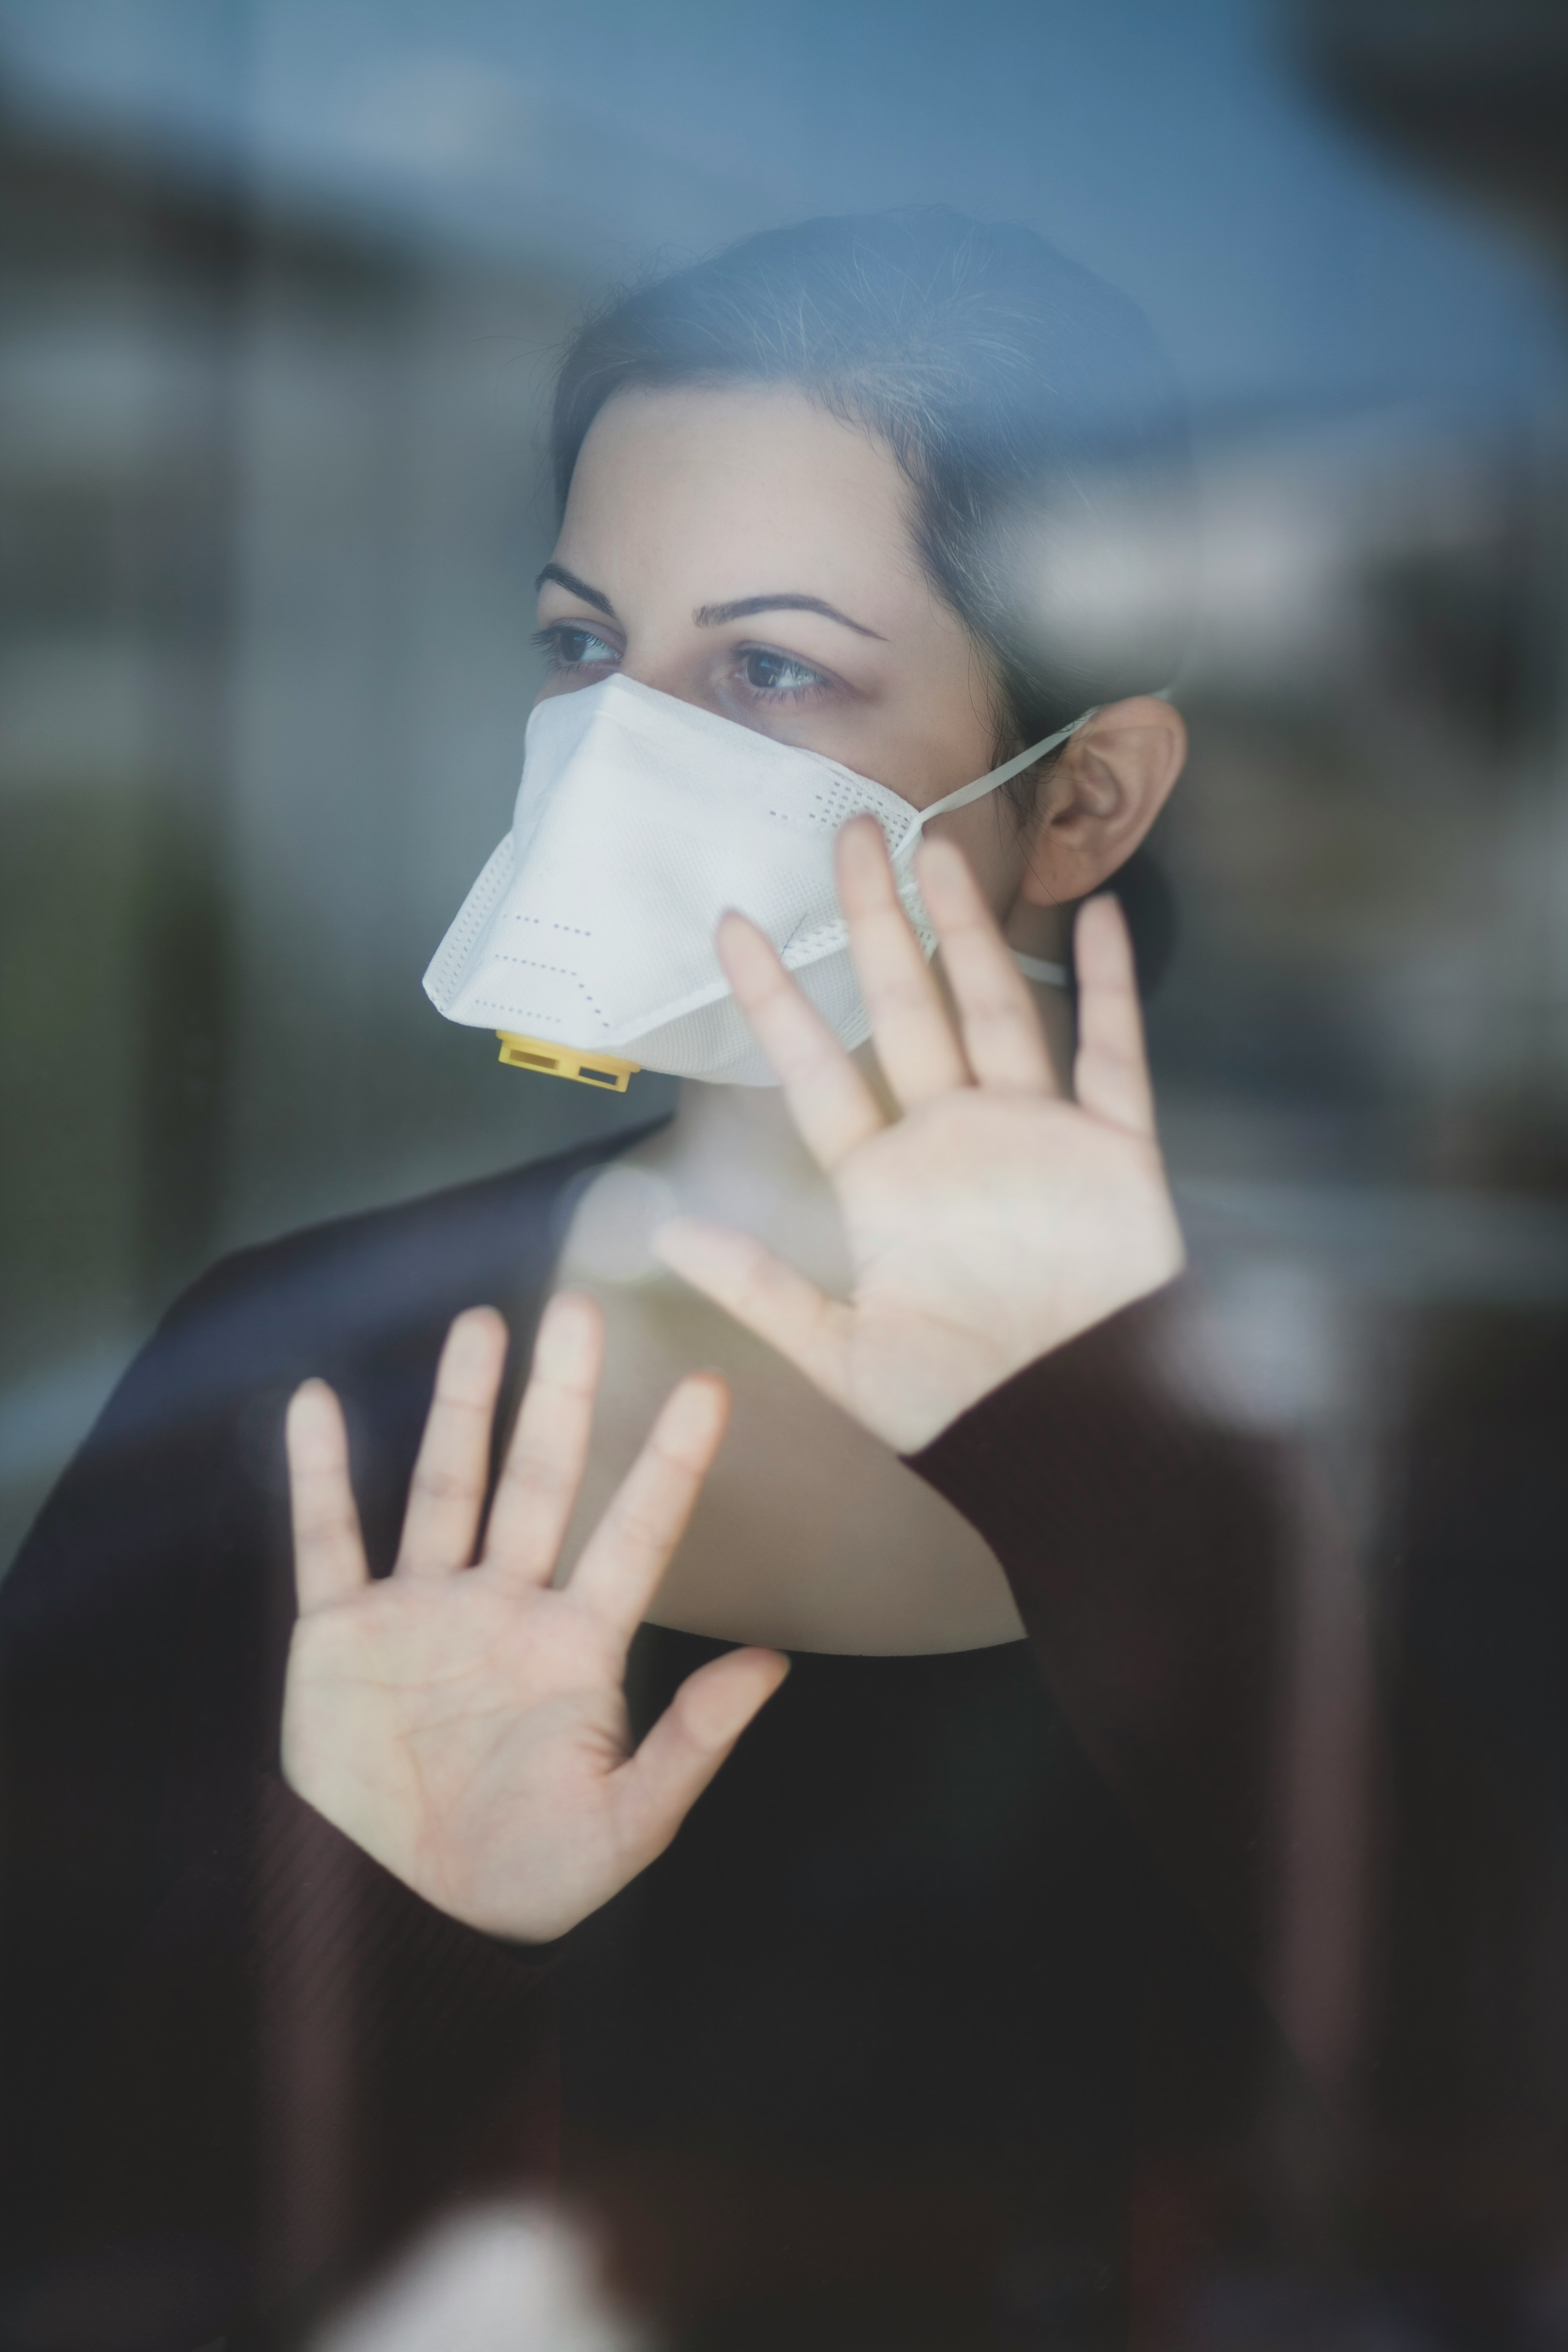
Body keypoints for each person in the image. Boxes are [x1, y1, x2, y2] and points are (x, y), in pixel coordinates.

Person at [0, 212, 1542, 2352]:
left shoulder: (1426, 1442)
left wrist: (1129, 1480)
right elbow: (78, 2232)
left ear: (1084, 794)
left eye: (772, 670)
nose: (619, 760)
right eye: (577, 645)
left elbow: (1489, 2192)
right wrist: (375, 1905)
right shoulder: (307, 1387)